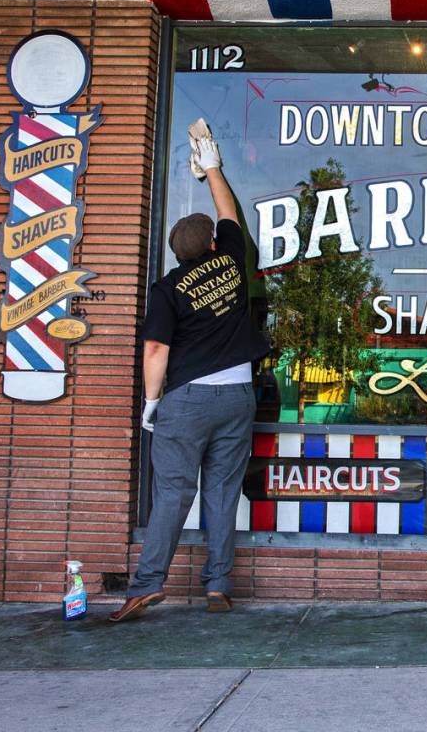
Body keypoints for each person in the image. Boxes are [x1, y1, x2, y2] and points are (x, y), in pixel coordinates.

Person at [110, 136, 269, 622]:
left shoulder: (166, 289)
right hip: (237, 395)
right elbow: (229, 215)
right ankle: (218, 585)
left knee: (174, 492)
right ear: (214, 246)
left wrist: (150, 402)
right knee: (222, 492)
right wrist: (214, 170)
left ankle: (146, 585)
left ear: (178, 254)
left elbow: (156, 348)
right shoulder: (233, 265)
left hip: (186, 400)